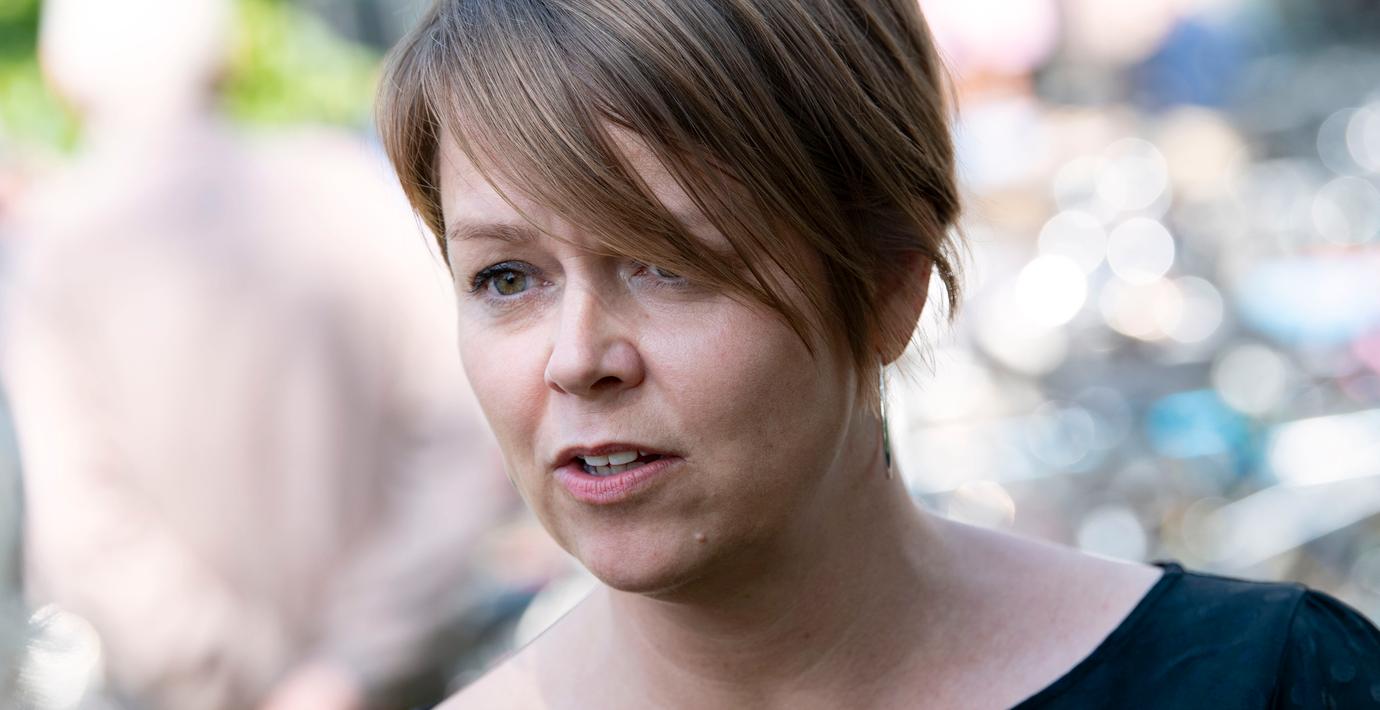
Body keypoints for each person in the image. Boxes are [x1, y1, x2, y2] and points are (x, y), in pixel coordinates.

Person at [375, 0, 1380, 707]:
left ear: (891, 282)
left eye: (668, 263)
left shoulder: (1264, 680)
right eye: (506, 278)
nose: (577, 357)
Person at [1, 0, 511, 707]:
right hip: (394, 685)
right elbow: (461, 440)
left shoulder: (51, 254)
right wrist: (345, 666)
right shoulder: (350, 195)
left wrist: (210, 670)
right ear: (229, 54)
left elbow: (78, 522)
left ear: (59, 71)